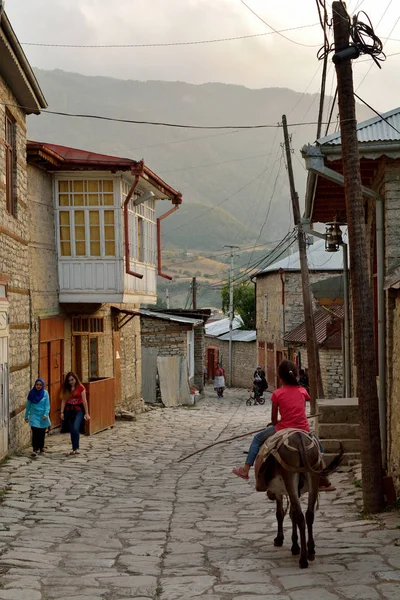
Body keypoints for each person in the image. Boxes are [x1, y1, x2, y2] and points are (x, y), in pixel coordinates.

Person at [232, 359, 335, 491]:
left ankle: (245, 469)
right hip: (303, 429)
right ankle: (322, 478)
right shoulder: (302, 391)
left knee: (257, 439)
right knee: (319, 450)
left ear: (280, 377)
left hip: (284, 427)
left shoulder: (277, 394)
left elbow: (274, 419)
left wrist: (275, 423)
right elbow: (301, 408)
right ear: (294, 375)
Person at [61, 372, 90, 455]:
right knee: (71, 429)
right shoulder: (66, 389)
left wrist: (87, 413)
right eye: (69, 380)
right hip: (69, 411)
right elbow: (63, 401)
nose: (71, 382)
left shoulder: (81, 388)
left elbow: (84, 401)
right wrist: (62, 412)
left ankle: (77, 447)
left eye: (72, 380)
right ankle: (74, 448)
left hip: (78, 410)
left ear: (75, 379)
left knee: (75, 427)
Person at [25, 378, 51, 457]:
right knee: (35, 431)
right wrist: (26, 416)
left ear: (42, 385)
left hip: (42, 415)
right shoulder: (31, 393)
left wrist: (46, 414)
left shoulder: (45, 393)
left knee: (41, 432)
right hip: (34, 415)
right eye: (37, 385)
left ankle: (41, 446)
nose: (38, 386)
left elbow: (47, 405)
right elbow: (28, 405)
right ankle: (35, 448)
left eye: (40, 385)